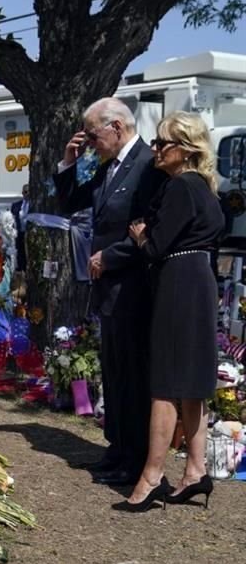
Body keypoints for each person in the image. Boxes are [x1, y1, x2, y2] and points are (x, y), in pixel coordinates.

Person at [54, 96, 168, 487]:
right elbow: (71, 202)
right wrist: (69, 162)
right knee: (115, 372)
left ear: (116, 127)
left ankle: (135, 457)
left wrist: (110, 256)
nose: (88, 141)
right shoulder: (109, 167)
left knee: (133, 374)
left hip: (133, 285)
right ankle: (117, 447)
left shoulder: (147, 166)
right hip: (109, 290)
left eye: (92, 133)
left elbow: (150, 225)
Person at [117, 112, 225, 511]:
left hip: (178, 279)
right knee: (192, 382)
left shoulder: (180, 187)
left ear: (185, 150)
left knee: (164, 383)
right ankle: (195, 470)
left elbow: (158, 246)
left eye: (163, 144)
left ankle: (151, 476)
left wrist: (142, 235)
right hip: (200, 277)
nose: (156, 150)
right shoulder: (206, 189)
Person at [10, 184, 30, 272]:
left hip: (29, 234)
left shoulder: (34, 205)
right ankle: (21, 271)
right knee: (20, 254)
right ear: (22, 193)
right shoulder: (16, 205)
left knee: (29, 254)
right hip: (19, 233)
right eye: (25, 192)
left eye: (29, 192)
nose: (28, 194)